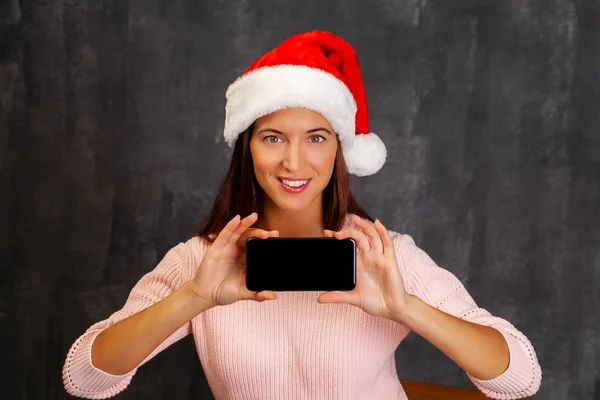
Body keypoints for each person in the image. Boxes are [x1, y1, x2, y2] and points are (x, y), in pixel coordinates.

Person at [62, 30, 542, 399]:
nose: (295, 162)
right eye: (273, 137)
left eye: (316, 137)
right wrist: (193, 298)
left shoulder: (383, 256)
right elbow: (85, 378)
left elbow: (520, 377)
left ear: (339, 150)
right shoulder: (205, 260)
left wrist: (404, 308)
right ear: (247, 148)